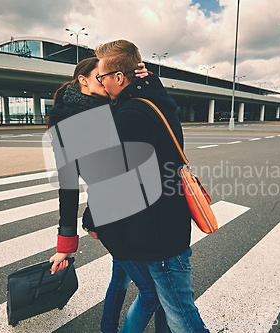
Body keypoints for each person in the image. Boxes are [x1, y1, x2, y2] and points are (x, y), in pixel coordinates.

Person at [81, 40, 210, 333]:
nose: (101, 82)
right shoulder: (156, 103)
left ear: (119, 77)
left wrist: (91, 219)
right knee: (163, 301)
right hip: (166, 222)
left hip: (156, 232)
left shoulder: (131, 115)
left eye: (102, 77)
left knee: (182, 315)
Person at [47, 57, 167, 333]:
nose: (105, 79)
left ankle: (107, 327)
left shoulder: (115, 108)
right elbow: (67, 184)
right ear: (84, 80)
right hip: (111, 216)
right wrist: (66, 242)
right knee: (152, 291)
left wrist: (144, 81)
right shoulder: (66, 122)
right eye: (99, 75)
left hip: (132, 210)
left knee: (121, 278)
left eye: (107, 75)